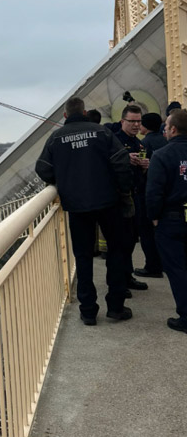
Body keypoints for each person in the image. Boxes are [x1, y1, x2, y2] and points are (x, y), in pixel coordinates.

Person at [36, 96, 133, 325]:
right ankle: (116, 307)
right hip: (109, 202)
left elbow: (43, 169)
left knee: (83, 256)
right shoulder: (102, 132)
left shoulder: (56, 137)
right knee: (117, 252)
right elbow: (121, 162)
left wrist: (63, 181)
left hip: (77, 206)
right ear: (86, 112)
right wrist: (124, 191)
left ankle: (88, 311)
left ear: (66, 116)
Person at [145, 108, 187, 333]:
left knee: (177, 269)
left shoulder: (162, 155)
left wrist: (153, 217)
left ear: (172, 129)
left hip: (172, 220)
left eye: (167, 126)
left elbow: (154, 193)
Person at [115, 104, 151, 291]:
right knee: (122, 242)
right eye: (132, 121)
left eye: (139, 121)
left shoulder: (139, 143)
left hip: (137, 195)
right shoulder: (115, 142)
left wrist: (145, 166)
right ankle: (121, 281)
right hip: (121, 198)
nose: (137, 125)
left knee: (131, 240)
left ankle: (127, 277)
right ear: (123, 121)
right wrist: (125, 158)